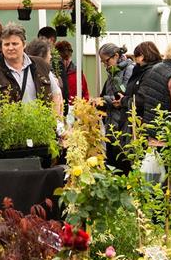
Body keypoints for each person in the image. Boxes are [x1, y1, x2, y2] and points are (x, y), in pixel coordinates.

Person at [0, 22, 62, 110]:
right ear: (1, 47)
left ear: (24, 44)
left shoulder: (41, 65)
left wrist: (54, 120)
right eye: (6, 44)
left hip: (42, 123)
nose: (10, 48)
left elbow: (56, 95)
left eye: (15, 44)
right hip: (5, 124)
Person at [98, 43, 135, 172]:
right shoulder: (113, 72)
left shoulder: (129, 70)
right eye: (103, 63)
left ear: (116, 56)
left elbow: (122, 96)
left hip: (123, 123)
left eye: (106, 61)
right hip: (112, 123)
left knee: (122, 163)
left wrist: (103, 100)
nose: (105, 65)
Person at [25, 38, 64, 115]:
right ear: (42, 57)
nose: (51, 57)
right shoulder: (46, 75)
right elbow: (57, 99)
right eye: (49, 54)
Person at [55, 40, 89, 113]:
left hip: (76, 111)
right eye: (62, 59)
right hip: (58, 110)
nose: (65, 62)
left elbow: (85, 93)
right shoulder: (54, 73)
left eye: (67, 59)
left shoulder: (78, 72)